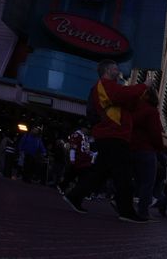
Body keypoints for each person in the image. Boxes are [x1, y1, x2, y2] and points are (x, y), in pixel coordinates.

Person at [62, 59, 149, 223]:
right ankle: (126, 210)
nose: (118, 70)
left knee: (101, 172)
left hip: (113, 134)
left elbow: (128, 100)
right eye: (116, 68)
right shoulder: (104, 85)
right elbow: (124, 95)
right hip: (113, 134)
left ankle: (75, 196)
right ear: (108, 70)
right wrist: (144, 86)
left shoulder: (109, 86)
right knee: (124, 173)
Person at [127, 85, 164, 220]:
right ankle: (143, 211)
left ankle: (123, 204)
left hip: (131, 147)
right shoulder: (151, 111)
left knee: (133, 179)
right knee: (147, 182)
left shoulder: (133, 109)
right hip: (146, 150)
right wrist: (159, 148)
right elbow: (155, 133)